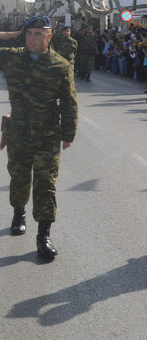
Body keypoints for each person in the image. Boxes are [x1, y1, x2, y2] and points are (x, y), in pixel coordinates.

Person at [0, 15, 78, 261]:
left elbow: (69, 103)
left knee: (46, 184)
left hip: (47, 134)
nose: (32, 38)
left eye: (38, 34)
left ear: (49, 36)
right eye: (29, 33)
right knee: (19, 176)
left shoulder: (60, 65)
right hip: (18, 131)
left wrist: (68, 133)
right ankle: (19, 212)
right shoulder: (12, 57)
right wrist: (13, 35)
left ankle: (43, 235)